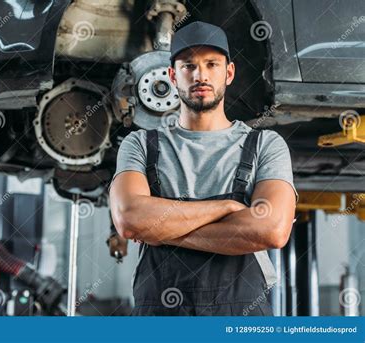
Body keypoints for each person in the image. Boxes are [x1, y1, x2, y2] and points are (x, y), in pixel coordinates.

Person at [109, 21, 297, 316]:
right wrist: (227, 207)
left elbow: (271, 230)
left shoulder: (265, 145)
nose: (200, 75)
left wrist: (161, 230)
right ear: (172, 75)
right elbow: (131, 219)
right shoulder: (141, 145)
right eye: (188, 66)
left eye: (212, 64)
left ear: (229, 73)